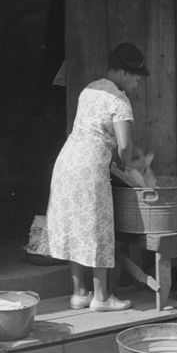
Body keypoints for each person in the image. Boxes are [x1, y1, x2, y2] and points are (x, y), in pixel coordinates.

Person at [44, 42, 150, 312]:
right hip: (90, 169)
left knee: (76, 226)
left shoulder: (90, 90)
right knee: (98, 227)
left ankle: (80, 293)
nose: (138, 83)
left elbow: (96, 131)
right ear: (124, 73)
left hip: (66, 163)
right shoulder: (119, 99)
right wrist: (129, 164)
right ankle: (101, 297)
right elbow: (124, 147)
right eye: (137, 77)